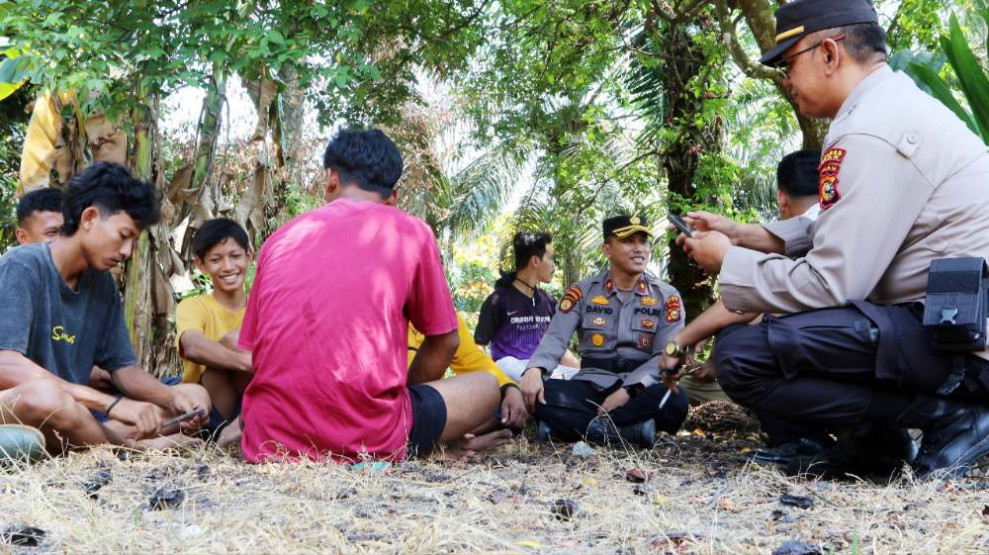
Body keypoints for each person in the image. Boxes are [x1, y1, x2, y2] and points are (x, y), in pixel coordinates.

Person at [678, 0, 989, 479]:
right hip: (952, 328)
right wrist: (745, 235)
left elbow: (830, 284)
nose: (785, 79)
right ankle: (877, 443)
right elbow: (837, 224)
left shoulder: (870, 129)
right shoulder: (889, 105)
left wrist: (729, 263)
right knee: (779, 337)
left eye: (788, 62)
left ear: (828, 53)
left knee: (741, 356)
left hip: (963, 345)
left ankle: (952, 418)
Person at [238, 128, 501, 463]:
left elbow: (253, 353)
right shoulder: (411, 232)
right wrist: (405, 397)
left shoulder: (281, 239)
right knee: (487, 387)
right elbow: (445, 341)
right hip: (371, 439)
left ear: (331, 178)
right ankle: (408, 431)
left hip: (271, 438)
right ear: (393, 195)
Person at [0, 162, 210, 452]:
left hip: (75, 414)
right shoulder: (22, 265)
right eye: (123, 236)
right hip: (20, 409)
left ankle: (93, 439)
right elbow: (5, 365)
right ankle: (134, 449)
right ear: (89, 218)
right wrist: (109, 403)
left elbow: (124, 371)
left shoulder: (102, 285)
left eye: (133, 242)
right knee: (47, 397)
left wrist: (172, 399)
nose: (126, 252)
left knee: (195, 393)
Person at [519, 215, 689, 448]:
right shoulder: (582, 292)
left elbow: (666, 356)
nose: (639, 249)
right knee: (544, 395)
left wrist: (629, 390)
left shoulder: (667, 296)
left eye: (643, 241)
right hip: (592, 385)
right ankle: (630, 431)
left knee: (675, 399)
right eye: (629, 241)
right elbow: (556, 337)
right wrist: (535, 369)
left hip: (642, 388)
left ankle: (577, 428)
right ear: (607, 249)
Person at [175, 218, 254, 446]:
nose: (228, 267)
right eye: (216, 260)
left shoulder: (263, 306)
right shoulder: (194, 306)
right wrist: (250, 362)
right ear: (201, 265)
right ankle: (241, 424)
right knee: (233, 341)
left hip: (255, 393)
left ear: (249, 255)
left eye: (235, 256)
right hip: (210, 405)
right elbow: (192, 346)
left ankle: (247, 421)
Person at [409, 313, 525, 454]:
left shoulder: (442, 312)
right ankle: (443, 446)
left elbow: (472, 358)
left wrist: (509, 387)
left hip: (429, 407)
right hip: (395, 410)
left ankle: (444, 440)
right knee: (488, 387)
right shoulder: (382, 306)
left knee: (499, 397)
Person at [475, 232, 579, 381]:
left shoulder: (548, 302)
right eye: (550, 258)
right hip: (509, 374)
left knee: (583, 379)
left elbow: (559, 348)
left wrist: (582, 373)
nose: (553, 265)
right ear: (535, 261)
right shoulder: (497, 300)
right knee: (505, 364)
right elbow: (479, 346)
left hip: (544, 371)